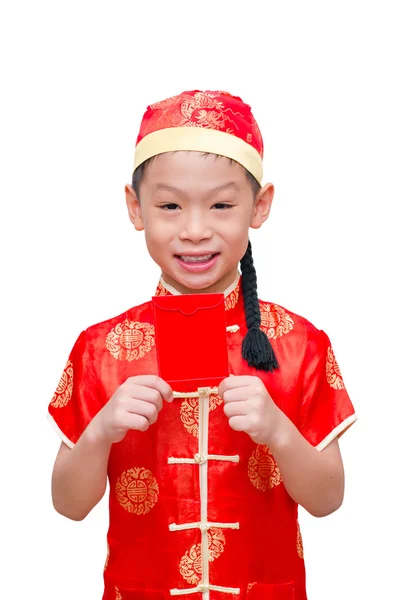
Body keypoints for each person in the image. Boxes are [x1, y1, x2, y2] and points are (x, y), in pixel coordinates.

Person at [47, 90, 357, 600]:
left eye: (221, 204)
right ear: (135, 207)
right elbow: (68, 504)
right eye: (170, 205)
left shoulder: (299, 344)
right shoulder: (101, 349)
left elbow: (329, 499)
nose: (195, 230)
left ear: (259, 207)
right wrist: (101, 429)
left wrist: (278, 430)